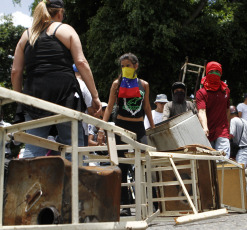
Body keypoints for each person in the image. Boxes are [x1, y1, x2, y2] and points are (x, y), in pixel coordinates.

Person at [10, 0, 102, 159]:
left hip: (34, 97)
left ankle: (28, 183)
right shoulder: (65, 29)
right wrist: (95, 97)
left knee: (33, 147)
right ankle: (75, 183)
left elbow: (15, 72)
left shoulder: (27, 35)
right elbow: (81, 63)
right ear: (60, 13)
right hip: (64, 95)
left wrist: (19, 101)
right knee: (72, 147)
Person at [97, 53, 154, 216]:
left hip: (139, 128)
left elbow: (147, 106)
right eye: (122, 66)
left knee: (146, 162)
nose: (125, 68)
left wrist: (153, 126)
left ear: (136, 66)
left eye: (128, 65)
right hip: (122, 127)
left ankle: (150, 203)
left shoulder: (144, 84)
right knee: (122, 166)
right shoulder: (117, 83)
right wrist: (102, 128)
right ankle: (125, 205)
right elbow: (109, 107)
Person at [196, 61, 231, 159]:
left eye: (217, 72)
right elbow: (201, 111)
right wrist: (205, 127)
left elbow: (227, 110)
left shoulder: (226, 91)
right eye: (212, 71)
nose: (215, 74)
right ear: (207, 72)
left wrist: (228, 128)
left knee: (224, 159)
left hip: (222, 130)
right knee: (209, 162)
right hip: (207, 131)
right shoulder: (201, 93)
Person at [73, 64, 94, 146]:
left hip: (62, 123)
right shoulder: (84, 86)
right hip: (80, 125)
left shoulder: (66, 83)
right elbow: (90, 109)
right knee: (80, 155)